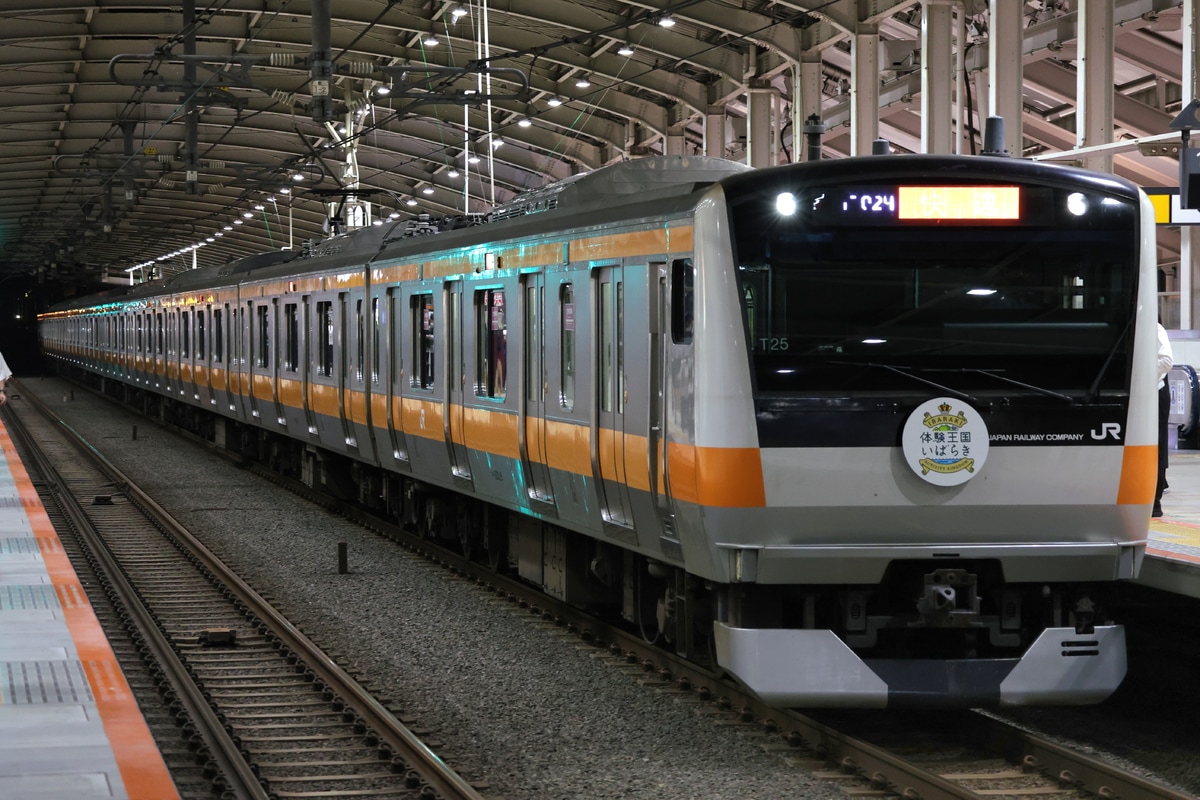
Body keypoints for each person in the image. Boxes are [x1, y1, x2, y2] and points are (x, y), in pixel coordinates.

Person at [1154, 323, 1174, 517]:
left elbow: (1167, 360)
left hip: (1156, 390)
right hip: (1144, 390)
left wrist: (1141, 376)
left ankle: (1155, 501)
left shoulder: (1155, 328)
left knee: (1157, 444)